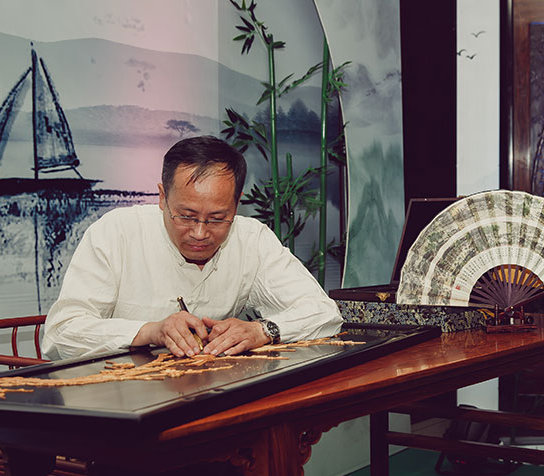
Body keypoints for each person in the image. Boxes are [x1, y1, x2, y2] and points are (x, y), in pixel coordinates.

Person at [42, 135, 343, 360]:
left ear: (236, 205)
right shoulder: (116, 233)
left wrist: (261, 330)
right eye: (186, 216)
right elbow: (59, 335)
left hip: (212, 397)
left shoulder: (251, 239)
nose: (200, 233)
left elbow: (325, 314)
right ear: (162, 197)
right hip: (118, 402)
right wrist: (150, 331)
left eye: (218, 219)